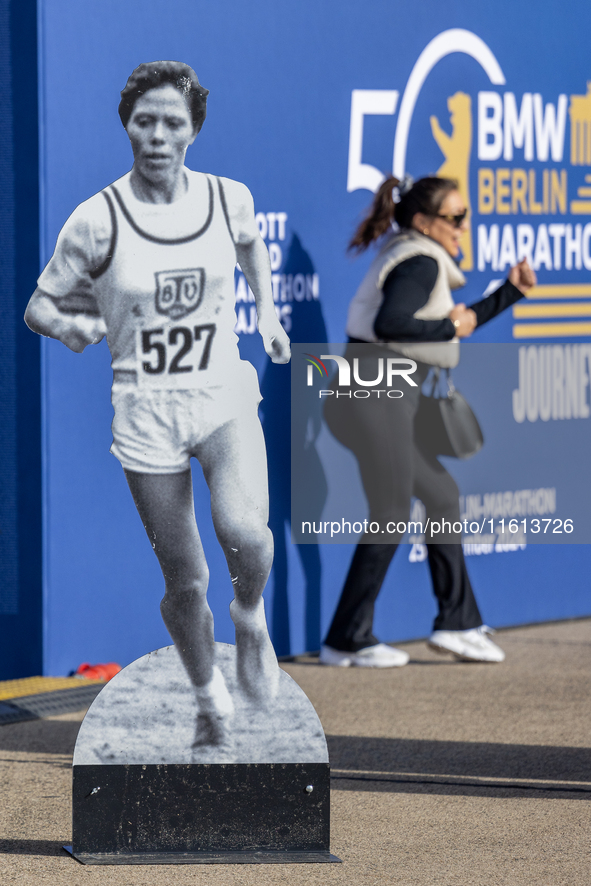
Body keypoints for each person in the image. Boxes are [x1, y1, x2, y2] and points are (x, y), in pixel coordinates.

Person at [24, 61, 291, 746]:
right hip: (146, 415)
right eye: (145, 120)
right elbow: (39, 307)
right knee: (186, 580)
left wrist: (265, 314)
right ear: (127, 126)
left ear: (194, 127)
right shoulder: (97, 217)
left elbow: (252, 247)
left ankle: (253, 615)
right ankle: (210, 700)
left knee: (246, 532)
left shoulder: (227, 197)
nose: (158, 134)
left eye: (173, 121)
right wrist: (81, 327)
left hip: (221, 393)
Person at [320, 174, 535, 668]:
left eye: (465, 216)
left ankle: (453, 624)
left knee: (440, 494)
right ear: (424, 221)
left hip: (370, 393)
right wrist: (449, 325)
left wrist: (508, 293)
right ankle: (351, 639)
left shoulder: (413, 251)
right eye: (456, 217)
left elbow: (450, 323)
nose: (464, 226)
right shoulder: (417, 260)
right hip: (376, 394)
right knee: (392, 509)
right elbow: (392, 324)